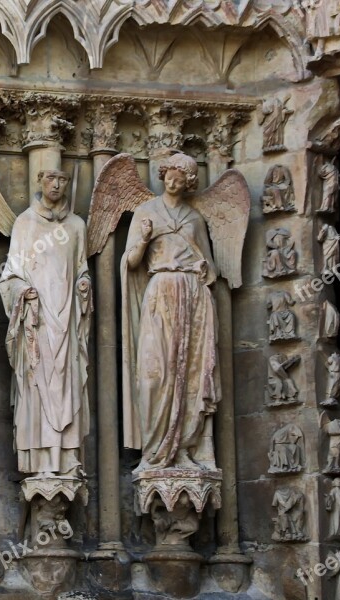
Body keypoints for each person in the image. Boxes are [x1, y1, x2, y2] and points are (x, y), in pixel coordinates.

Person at [122, 152, 220, 471]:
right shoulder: (145, 211)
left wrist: (206, 270)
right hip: (160, 290)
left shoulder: (195, 219)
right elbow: (132, 261)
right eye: (170, 174)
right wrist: (145, 238)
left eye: (182, 176)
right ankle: (155, 450)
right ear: (163, 175)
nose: (174, 180)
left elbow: (213, 267)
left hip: (192, 295)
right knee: (155, 371)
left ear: (190, 182)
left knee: (189, 372)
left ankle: (184, 449)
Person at [0, 169, 91, 478]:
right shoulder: (25, 223)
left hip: (67, 319)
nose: (56, 184)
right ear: (39, 180)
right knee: (36, 385)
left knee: (68, 384)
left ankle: (66, 458)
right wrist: (22, 293)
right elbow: (9, 275)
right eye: (51, 178)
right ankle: (39, 460)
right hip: (36, 321)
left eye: (63, 179)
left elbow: (82, 269)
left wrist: (84, 286)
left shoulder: (77, 226)